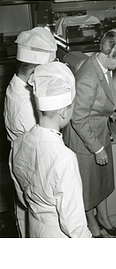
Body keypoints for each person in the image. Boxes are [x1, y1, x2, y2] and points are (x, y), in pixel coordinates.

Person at [63, 29, 116, 237]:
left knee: (101, 181)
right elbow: (77, 118)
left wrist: (108, 112)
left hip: (99, 130)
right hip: (85, 141)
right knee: (88, 186)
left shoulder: (102, 65)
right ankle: (92, 224)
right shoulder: (89, 75)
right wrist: (97, 149)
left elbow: (98, 100)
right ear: (112, 53)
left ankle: (103, 217)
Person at [9, 62, 92, 238]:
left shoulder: (18, 143)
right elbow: (74, 224)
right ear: (64, 112)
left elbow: (21, 195)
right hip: (57, 233)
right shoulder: (64, 157)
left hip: (34, 225)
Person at [3, 26, 57, 237]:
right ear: (36, 68)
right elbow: (39, 147)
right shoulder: (24, 103)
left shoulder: (17, 84)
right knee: (37, 223)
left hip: (21, 159)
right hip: (31, 166)